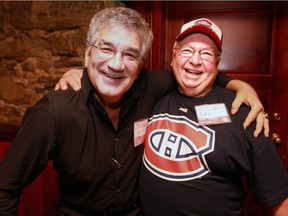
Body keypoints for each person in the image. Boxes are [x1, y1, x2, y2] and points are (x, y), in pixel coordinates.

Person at [0, 7, 267, 216]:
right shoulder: (53, 111)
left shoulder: (150, 86)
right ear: (86, 54)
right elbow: (5, 188)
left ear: (140, 65)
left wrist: (242, 86)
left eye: (130, 54)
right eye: (106, 48)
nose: (116, 64)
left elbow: (196, 72)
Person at [138, 18, 288, 215]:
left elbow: (279, 198)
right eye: (187, 50)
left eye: (206, 54)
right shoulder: (154, 94)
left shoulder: (244, 113)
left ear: (217, 63)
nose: (195, 60)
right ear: (173, 56)